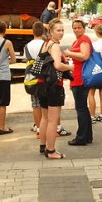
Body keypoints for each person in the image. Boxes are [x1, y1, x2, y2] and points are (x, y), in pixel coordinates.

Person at [37, 19, 72, 159]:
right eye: (58, 30)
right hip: (53, 86)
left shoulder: (46, 44)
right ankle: (51, 151)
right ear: (51, 31)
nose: (61, 33)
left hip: (42, 84)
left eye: (63, 30)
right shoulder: (55, 46)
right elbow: (57, 66)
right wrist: (69, 67)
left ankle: (43, 145)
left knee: (45, 118)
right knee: (53, 120)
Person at [65, 19, 93, 147]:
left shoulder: (84, 39)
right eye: (74, 28)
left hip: (81, 78)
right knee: (83, 108)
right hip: (76, 77)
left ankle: (81, 137)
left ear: (84, 28)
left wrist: (69, 53)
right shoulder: (77, 40)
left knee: (80, 108)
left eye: (79, 27)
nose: (76, 30)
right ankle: (87, 136)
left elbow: (85, 56)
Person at [24, 21, 47, 135]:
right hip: (44, 76)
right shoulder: (46, 44)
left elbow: (27, 60)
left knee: (35, 103)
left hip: (32, 77)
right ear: (43, 31)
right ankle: (45, 126)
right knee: (45, 103)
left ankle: (38, 127)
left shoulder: (27, 46)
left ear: (32, 32)